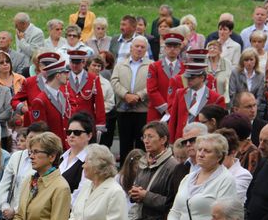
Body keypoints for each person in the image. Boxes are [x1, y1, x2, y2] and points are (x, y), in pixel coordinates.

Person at [128, 121, 178, 220]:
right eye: (144, 137)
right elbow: (138, 188)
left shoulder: (173, 166)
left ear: (163, 139)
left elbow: (173, 203)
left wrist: (146, 196)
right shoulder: (144, 162)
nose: (146, 140)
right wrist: (134, 193)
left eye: (151, 136)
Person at [58, 112, 93, 220]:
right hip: (55, 219)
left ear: (89, 136)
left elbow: (81, 194)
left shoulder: (88, 161)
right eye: (69, 132)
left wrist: (55, 203)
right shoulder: (61, 158)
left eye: (77, 132)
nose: (71, 135)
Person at [111, 35, 152, 163]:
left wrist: (139, 96)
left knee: (142, 143)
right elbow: (114, 81)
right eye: (137, 46)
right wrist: (126, 95)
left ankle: (141, 170)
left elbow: (152, 84)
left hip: (142, 110)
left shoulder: (152, 65)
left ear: (146, 50)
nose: (139, 49)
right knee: (125, 144)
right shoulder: (120, 64)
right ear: (131, 48)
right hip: (124, 110)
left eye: (142, 47)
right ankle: (124, 171)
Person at [168, 65, 226, 142]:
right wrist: (171, 142)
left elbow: (219, 126)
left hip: (203, 142)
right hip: (181, 141)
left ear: (202, 78)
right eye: (187, 78)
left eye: (192, 78)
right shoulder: (180, 93)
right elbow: (173, 120)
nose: (188, 80)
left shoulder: (216, 98)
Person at [146, 32, 184, 122]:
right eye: (169, 46)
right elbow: (151, 90)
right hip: (157, 111)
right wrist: (165, 107)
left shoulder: (185, 68)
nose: (172, 49)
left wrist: (174, 107)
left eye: (175, 47)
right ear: (165, 48)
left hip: (178, 110)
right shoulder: (154, 66)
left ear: (179, 49)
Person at [66, 50, 106, 129]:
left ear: (83, 63)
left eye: (77, 63)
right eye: (72, 62)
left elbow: (99, 104)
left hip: (87, 122)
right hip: (69, 121)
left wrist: (100, 124)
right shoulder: (64, 78)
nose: (74, 65)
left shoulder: (93, 79)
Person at [229, 48, 266, 119]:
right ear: (242, 61)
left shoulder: (260, 75)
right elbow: (232, 93)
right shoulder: (235, 73)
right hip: (238, 111)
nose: (249, 63)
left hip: (254, 111)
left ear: (256, 61)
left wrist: (252, 108)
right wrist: (240, 108)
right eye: (246, 60)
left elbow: (260, 96)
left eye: (251, 60)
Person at [216, 127, 252, 201]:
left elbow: (228, 202)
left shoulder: (243, 175)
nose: (216, 158)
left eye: (220, 154)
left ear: (233, 152)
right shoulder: (205, 169)